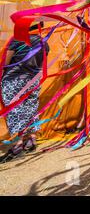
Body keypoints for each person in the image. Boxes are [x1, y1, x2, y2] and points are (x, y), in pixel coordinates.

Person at [0, 22, 49, 163]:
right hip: (34, 81)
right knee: (31, 109)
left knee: (14, 110)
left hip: (15, 80)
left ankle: (17, 144)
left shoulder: (17, 40)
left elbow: (6, 63)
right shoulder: (44, 43)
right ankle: (31, 140)